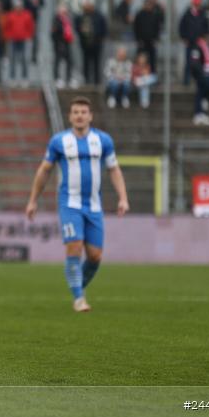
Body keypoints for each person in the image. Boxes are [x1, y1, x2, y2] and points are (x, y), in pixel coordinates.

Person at [26, 96, 129, 313]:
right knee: (74, 246)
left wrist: (123, 197)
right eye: (75, 112)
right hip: (69, 204)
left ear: (90, 116)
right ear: (70, 116)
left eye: (83, 112)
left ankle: (76, 285)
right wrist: (33, 200)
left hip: (93, 205)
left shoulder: (103, 140)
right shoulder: (59, 141)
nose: (79, 116)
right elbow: (44, 170)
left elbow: (114, 169)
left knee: (95, 256)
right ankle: (79, 298)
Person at [178, 0, 209, 86]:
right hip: (190, 43)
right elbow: (181, 27)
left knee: (199, 63)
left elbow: (206, 27)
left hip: (200, 44)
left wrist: (205, 37)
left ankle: (199, 80)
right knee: (188, 62)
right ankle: (186, 81)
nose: (197, 6)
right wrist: (184, 38)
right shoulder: (187, 14)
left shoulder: (203, 14)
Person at [2, 0, 34, 83]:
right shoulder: (10, 15)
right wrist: (8, 37)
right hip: (13, 40)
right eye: (17, 6)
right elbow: (6, 27)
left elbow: (30, 27)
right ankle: (12, 77)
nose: (18, 8)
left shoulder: (27, 15)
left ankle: (24, 78)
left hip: (24, 40)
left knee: (24, 58)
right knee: (12, 58)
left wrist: (28, 36)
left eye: (20, 6)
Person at [75, 2, 108, 85]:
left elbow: (104, 28)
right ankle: (86, 80)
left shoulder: (99, 16)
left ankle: (97, 81)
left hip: (96, 44)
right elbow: (77, 26)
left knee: (96, 63)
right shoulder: (81, 17)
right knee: (86, 63)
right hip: (85, 44)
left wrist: (100, 38)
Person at [189, 30, 209, 126]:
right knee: (202, 92)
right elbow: (194, 62)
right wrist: (201, 73)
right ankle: (198, 113)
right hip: (201, 74)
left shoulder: (207, 47)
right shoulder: (197, 47)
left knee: (204, 92)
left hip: (208, 73)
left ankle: (201, 111)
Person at [18, 0, 45, 64]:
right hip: (23, 19)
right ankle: (21, 57)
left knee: (35, 38)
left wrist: (38, 2)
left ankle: (34, 57)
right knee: (22, 37)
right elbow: (18, 4)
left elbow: (43, 3)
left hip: (34, 18)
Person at [134, 0, 164, 73]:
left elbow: (158, 28)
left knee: (152, 60)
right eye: (147, 4)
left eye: (150, 4)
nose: (148, 6)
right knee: (140, 59)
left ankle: (152, 75)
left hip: (151, 41)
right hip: (142, 42)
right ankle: (138, 75)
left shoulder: (155, 15)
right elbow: (136, 28)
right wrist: (138, 39)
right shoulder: (139, 15)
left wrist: (156, 38)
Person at [51, 3, 74, 88]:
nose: (64, 13)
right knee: (58, 61)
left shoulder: (68, 19)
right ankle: (57, 79)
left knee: (69, 61)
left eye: (65, 11)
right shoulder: (56, 20)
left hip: (67, 42)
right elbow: (54, 32)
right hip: (59, 43)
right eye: (63, 11)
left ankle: (69, 78)